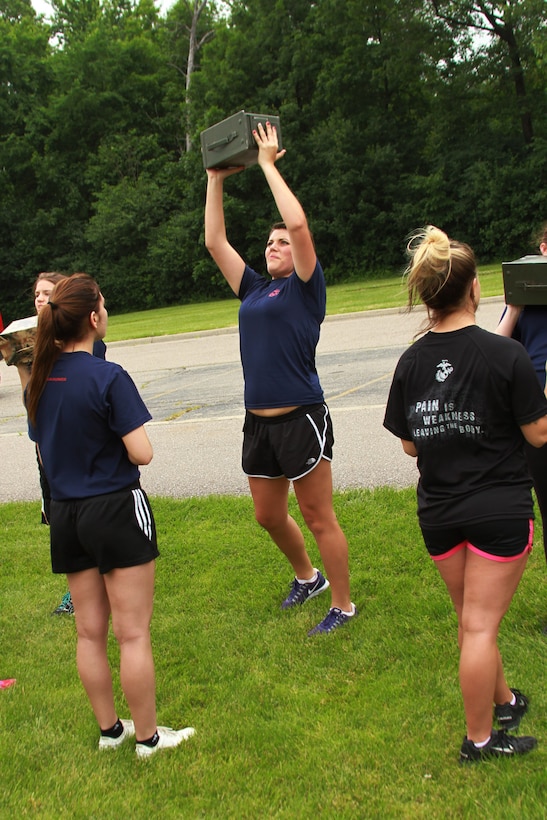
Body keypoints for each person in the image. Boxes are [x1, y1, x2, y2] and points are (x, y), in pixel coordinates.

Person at [383, 225, 547, 763]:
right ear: (474, 289)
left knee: (472, 619)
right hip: (499, 511)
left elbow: (410, 446)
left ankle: (504, 700)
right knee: (478, 624)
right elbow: (538, 434)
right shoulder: (505, 356)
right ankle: (479, 741)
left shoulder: (410, 362)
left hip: (440, 513)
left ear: (428, 295)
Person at [25, 273, 195, 757]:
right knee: (133, 632)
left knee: (89, 632)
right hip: (115, 508)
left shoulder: (38, 379)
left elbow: (44, 453)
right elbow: (142, 453)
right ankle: (148, 738)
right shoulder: (108, 375)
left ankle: (110, 732)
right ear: (94, 318)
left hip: (66, 514)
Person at [204, 121, 355, 636]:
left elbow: (301, 227)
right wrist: (215, 178)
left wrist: (267, 164)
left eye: (280, 242)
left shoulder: (306, 291)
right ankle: (307, 577)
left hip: (301, 417)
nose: (274, 246)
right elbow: (214, 240)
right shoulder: (251, 290)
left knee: (317, 515)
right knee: (268, 515)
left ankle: (342, 604)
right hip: (258, 423)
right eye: (268, 242)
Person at [496, 223, 547, 610]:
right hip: (535, 416)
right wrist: (513, 307)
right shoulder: (527, 295)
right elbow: (496, 354)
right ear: (542, 249)